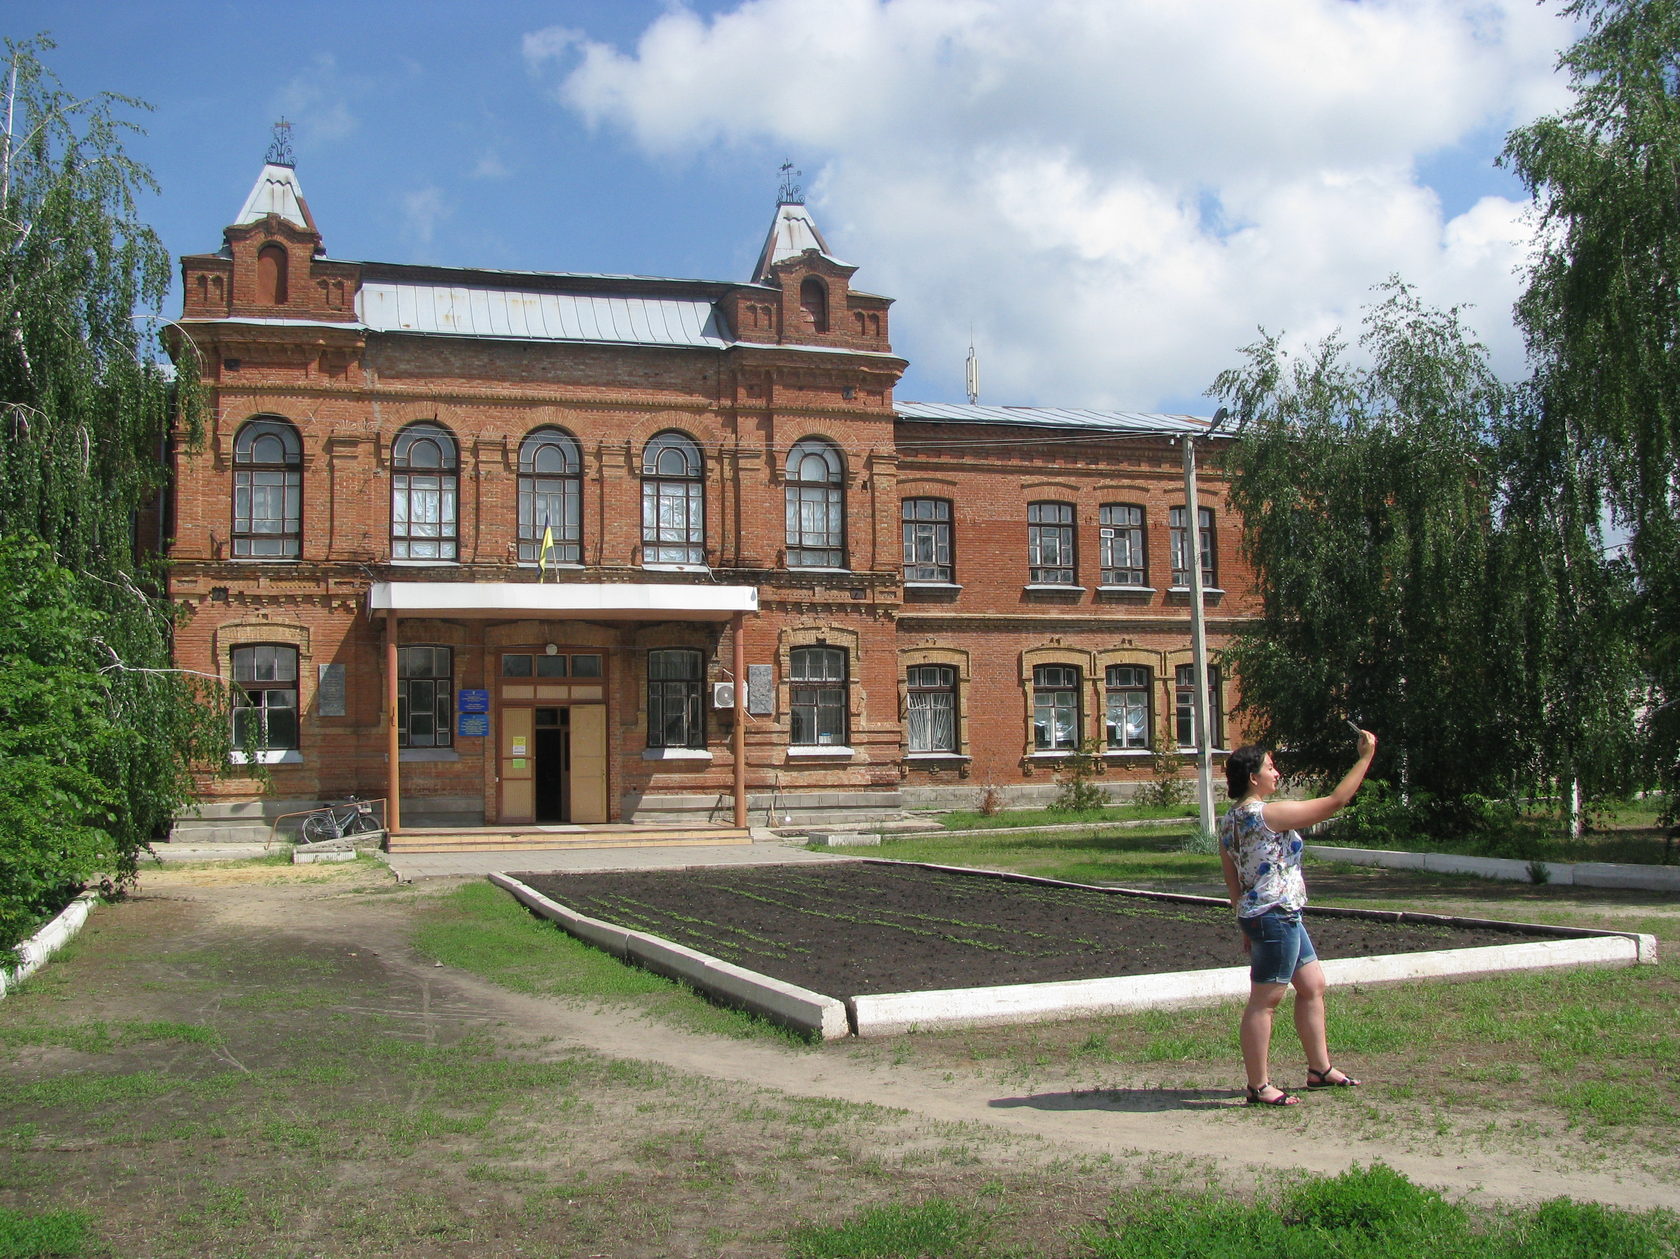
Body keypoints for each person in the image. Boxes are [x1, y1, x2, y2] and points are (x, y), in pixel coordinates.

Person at [1220, 730, 1377, 1106]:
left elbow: (1233, 876)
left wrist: (1243, 918)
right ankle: (1259, 1086)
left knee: (1312, 985)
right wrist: (1364, 757)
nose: (1277, 773)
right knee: (1265, 1001)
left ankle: (1319, 1070)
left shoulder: (1230, 819)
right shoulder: (1266, 814)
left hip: (1273, 915)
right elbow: (1336, 801)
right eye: (1270, 767)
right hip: (1275, 916)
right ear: (1253, 778)